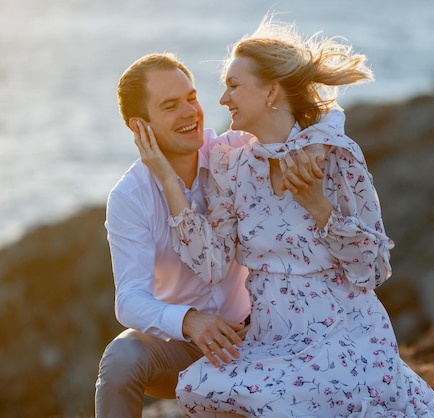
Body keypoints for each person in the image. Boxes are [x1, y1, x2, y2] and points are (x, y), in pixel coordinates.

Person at [136, 17, 434, 418]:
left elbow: (374, 270)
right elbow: (212, 264)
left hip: (343, 333)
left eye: (234, 85)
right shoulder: (230, 162)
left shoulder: (336, 157)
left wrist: (317, 205)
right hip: (271, 337)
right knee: (199, 385)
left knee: (275, 403)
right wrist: (169, 182)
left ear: (272, 91)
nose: (222, 99)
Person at [95, 52, 328, 418]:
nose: (190, 113)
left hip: (263, 336)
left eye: (191, 98)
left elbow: (315, 113)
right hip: (187, 349)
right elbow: (129, 300)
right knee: (122, 358)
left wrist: (314, 144)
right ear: (140, 127)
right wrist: (190, 321)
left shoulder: (233, 151)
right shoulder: (130, 197)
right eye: (171, 106)